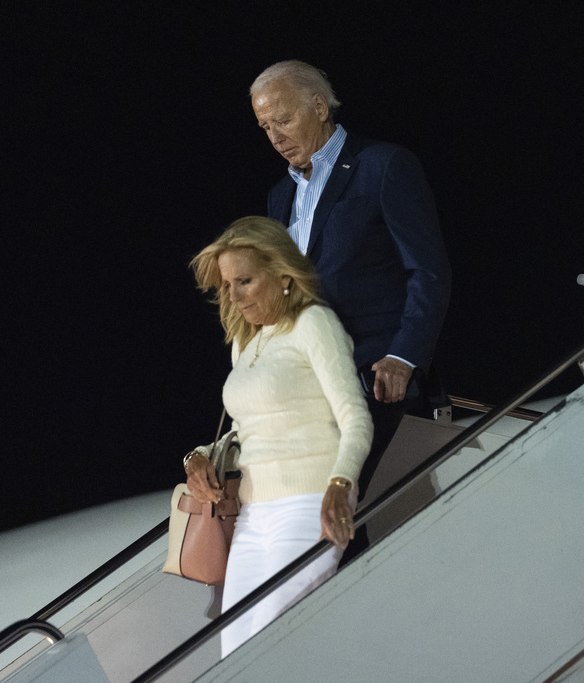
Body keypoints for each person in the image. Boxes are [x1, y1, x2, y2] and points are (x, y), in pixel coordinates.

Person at [249, 60, 451, 560]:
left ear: (319, 106)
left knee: (355, 520)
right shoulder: (279, 197)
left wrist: (405, 356)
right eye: (264, 127)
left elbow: (428, 271)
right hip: (308, 388)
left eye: (284, 120)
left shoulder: (382, 165)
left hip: (374, 377)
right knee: (313, 529)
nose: (275, 137)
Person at [185, 217, 373, 655]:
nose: (233, 296)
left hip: (310, 505)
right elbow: (246, 430)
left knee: (270, 643)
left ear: (283, 275)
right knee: (234, 653)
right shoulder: (245, 343)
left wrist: (340, 485)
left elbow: (356, 419)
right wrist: (197, 457)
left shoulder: (315, 324)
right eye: (227, 284)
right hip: (254, 516)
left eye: (245, 281)